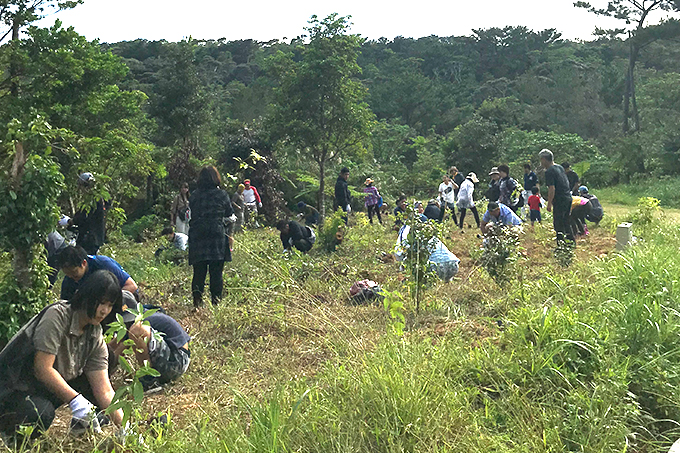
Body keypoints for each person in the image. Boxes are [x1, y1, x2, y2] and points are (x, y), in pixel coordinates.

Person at [0, 271, 125, 443]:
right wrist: (76, 401)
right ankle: (12, 437)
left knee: (108, 360)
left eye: (110, 305)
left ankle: (81, 428)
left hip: (45, 389)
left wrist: (126, 427)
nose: (104, 310)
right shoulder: (57, 316)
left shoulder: (94, 333)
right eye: (101, 303)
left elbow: (104, 389)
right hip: (16, 389)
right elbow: (42, 369)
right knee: (40, 412)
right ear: (87, 296)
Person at [189, 166, 235, 308]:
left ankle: (197, 304)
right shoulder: (222, 195)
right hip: (216, 234)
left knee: (199, 271)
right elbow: (229, 213)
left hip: (198, 234)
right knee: (216, 272)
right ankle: (216, 303)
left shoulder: (195, 195)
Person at [112, 309, 190, 391]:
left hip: (177, 360)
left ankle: (149, 379)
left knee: (136, 331)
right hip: (178, 359)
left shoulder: (139, 324)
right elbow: (113, 347)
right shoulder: (147, 316)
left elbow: (116, 354)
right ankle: (153, 377)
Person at [59, 246, 138, 302]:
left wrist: (107, 302)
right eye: (67, 274)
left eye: (74, 272)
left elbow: (131, 286)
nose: (71, 276)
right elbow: (66, 304)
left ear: (83, 263)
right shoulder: (68, 280)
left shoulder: (103, 264)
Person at [70, 172, 110, 255]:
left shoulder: (92, 200)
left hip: (89, 239)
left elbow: (84, 216)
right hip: (96, 238)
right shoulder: (101, 199)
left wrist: (70, 221)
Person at [540, 149, 574, 244]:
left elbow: (552, 188)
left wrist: (549, 203)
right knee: (566, 221)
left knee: (558, 223)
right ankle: (571, 242)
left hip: (560, 200)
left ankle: (561, 245)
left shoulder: (549, 171)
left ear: (543, 159)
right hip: (568, 197)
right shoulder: (559, 167)